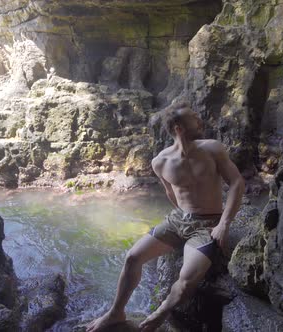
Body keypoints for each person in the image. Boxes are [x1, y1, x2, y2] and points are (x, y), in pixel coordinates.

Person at [86, 102, 245, 332]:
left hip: (208, 224)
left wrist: (224, 223)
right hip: (178, 220)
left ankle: (160, 312)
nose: (199, 119)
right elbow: (172, 194)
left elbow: (237, 183)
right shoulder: (160, 162)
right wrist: (182, 218)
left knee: (187, 278)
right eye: (193, 117)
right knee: (132, 257)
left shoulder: (213, 149)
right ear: (179, 127)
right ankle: (115, 313)